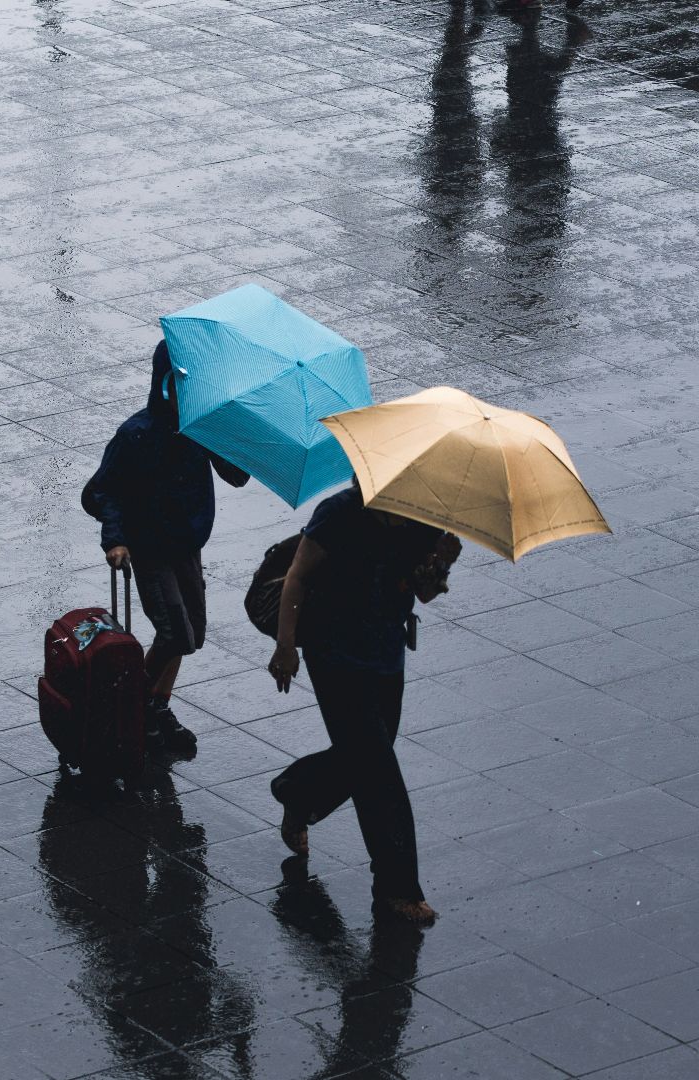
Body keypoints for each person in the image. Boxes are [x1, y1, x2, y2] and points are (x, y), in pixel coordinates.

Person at [265, 483, 460, 927]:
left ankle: (298, 790)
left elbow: (423, 591)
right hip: (334, 655)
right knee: (379, 773)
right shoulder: (338, 513)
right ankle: (398, 887)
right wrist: (286, 644)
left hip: (385, 655)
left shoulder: (421, 517)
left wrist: (442, 560)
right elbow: (298, 576)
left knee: (368, 754)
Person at [83, 342, 250, 755]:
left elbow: (237, 476)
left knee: (190, 635)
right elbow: (100, 492)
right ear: (164, 383)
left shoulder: (201, 428)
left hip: (187, 547)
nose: (187, 394)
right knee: (175, 632)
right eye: (180, 384)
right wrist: (116, 538)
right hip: (151, 550)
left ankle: (155, 706)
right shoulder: (136, 435)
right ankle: (131, 706)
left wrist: (233, 434)